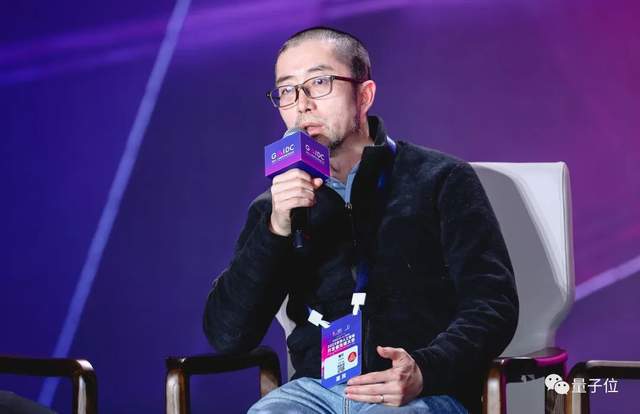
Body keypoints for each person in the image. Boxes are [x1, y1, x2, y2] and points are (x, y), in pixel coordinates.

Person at [203, 27, 518, 414]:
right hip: (313, 392)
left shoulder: (440, 179)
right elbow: (228, 335)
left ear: (364, 95)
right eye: (287, 90)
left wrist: (426, 369)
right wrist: (277, 228)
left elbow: (492, 304)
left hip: (415, 391)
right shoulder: (275, 207)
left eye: (319, 82)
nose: (302, 104)